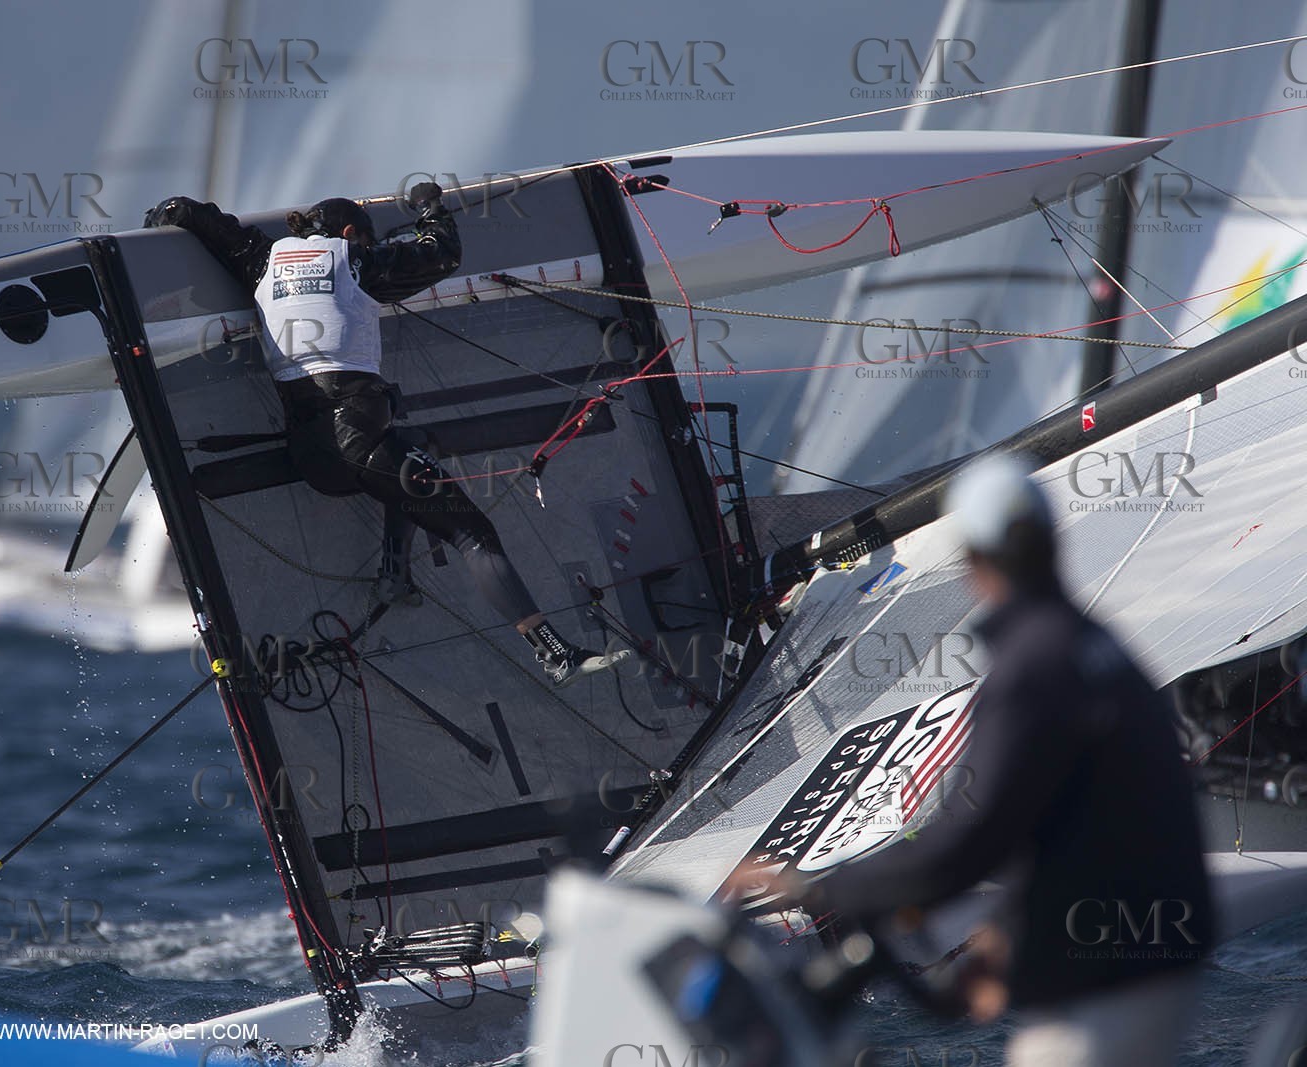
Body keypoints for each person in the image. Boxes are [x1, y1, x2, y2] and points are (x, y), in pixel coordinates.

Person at [735, 453, 1214, 1067]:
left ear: (974, 564)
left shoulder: (1032, 668)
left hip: (1110, 979)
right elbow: (1074, 824)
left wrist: (815, 886)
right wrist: (1009, 937)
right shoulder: (1090, 643)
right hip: (1151, 958)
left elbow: (970, 840)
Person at [144, 186, 629, 688]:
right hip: (359, 440)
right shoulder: (357, 261)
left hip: (310, 453)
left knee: (410, 448)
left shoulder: (262, 258)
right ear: (352, 235)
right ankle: (554, 653)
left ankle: (394, 574)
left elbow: (207, 221)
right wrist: (429, 207)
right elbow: (442, 254)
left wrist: (171, 212)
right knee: (472, 533)